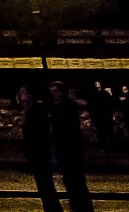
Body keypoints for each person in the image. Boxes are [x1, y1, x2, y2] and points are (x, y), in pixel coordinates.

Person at [21, 84, 91, 212]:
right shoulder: (48, 109)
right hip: (53, 152)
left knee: (71, 183)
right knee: (65, 184)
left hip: (60, 152)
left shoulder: (52, 109)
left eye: (56, 91)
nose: (22, 97)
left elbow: (68, 133)